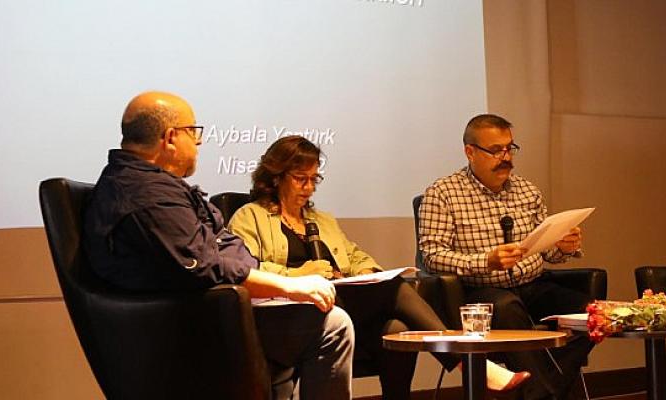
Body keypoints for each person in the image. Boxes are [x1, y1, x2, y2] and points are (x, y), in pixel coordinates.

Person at [83, 91, 354, 400]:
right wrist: (289, 286)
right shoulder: (146, 193)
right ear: (170, 138)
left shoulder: (151, 183)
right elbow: (205, 266)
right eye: (193, 132)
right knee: (332, 325)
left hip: (214, 309)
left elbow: (222, 246)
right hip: (187, 324)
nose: (199, 142)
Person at [227, 135, 530, 400]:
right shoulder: (249, 216)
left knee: (396, 330)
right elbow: (246, 271)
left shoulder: (322, 220)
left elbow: (355, 255)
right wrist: (300, 275)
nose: (309, 188)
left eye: (314, 180)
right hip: (289, 311)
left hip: (336, 303)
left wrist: (367, 273)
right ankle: (468, 362)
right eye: (300, 179)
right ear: (276, 177)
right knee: (396, 289)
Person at [418, 114, 595, 400]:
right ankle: (545, 393)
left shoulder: (527, 190)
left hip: (533, 286)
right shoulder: (442, 194)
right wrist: (486, 261)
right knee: (506, 307)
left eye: (510, 148)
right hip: (479, 291)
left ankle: (540, 390)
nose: (506, 157)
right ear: (470, 152)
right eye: (496, 150)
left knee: (594, 313)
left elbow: (546, 250)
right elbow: (432, 256)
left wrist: (563, 246)